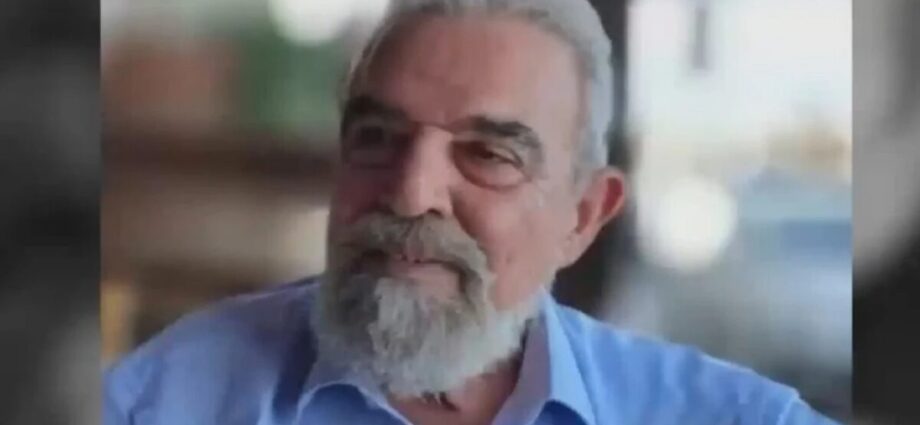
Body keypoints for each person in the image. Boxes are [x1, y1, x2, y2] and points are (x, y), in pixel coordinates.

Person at [104, 0, 838, 423]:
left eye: (489, 154)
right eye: (377, 137)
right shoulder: (160, 401)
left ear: (583, 215)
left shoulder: (734, 418)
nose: (410, 192)